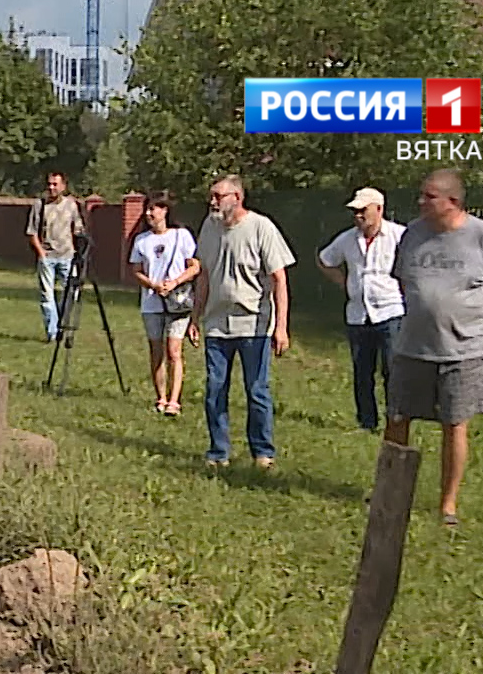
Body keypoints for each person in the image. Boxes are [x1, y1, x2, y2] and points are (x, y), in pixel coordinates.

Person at [387, 168, 483, 527]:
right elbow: (403, 281)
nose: (420, 202)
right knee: (398, 417)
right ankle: (391, 492)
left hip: (463, 351)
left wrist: (470, 320)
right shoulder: (412, 234)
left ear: (453, 202)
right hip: (412, 346)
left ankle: (447, 505)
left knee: (454, 424)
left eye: (428, 196)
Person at [190, 174, 296, 469]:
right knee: (215, 388)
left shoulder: (261, 227)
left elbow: (279, 279)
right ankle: (218, 451)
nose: (212, 202)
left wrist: (282, 326)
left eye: (218, 196)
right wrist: (195, 318)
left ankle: (262, 452)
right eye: (211, 196)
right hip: (216, 324)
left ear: (237, 198)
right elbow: (205, 276)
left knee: (256, 390)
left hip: (254, 324)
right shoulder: (209, 228)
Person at [317, 187, 407, 431]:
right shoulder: (347, 239)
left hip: (391, 311)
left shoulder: (400, 236)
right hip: (358, 313)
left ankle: (395, 421)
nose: (358, 216)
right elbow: (325, 260)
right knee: (362, 372)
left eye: (362, 211)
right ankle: (366, 422)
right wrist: (344, 282)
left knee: (393, 370)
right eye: (355, 212)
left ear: (379, 209)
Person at [127, 190, 200, 417]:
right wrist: (152, 284)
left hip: (177, 302)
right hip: (152, 303)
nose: (149, 213)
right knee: (156, 350)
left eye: (154, 209)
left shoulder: (182, 236)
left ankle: (174, 400)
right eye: (147, 209)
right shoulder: (142, 240)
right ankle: (160, 397)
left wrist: (175, 282)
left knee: (174, 350)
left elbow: (195, 266)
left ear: (165, 211)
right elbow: (136, 270)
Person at [25, 171, 86, 343]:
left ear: (63, 186)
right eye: (49, 184)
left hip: (67, 256)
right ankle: (52, 333)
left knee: (72, 293)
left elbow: (78, 229)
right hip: (47, 257)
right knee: (47, 295)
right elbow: (32, 232)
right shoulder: (40, 205)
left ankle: (61, 323)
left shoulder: (71, 205)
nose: (51, 187)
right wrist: (41, 253)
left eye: (55, 184)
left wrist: (79, 249)